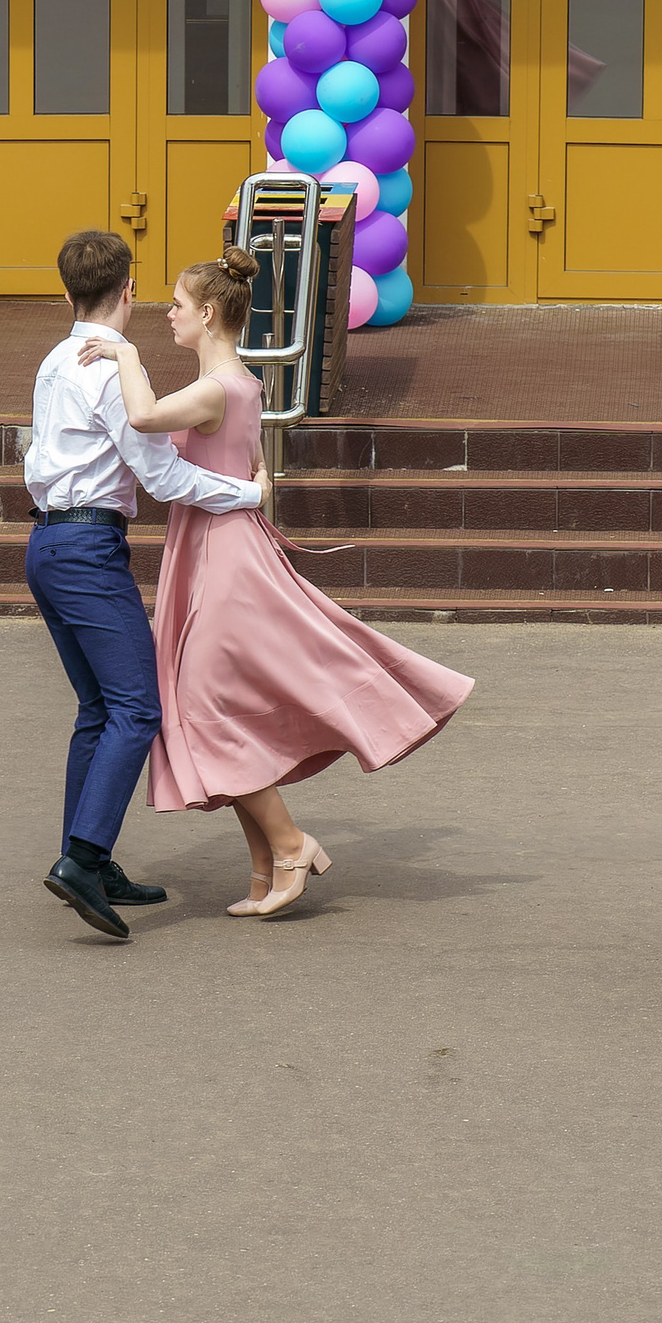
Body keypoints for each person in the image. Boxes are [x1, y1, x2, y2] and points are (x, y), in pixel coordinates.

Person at [81, 248, 473, 919]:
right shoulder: (245, 383)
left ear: (207, 314)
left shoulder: (215, 388)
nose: (168, 313)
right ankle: (265, 868)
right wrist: (255, 487)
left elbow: (143, 419)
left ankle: (290, 846)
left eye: (177, 303)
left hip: (222, 561)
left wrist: (120, 356)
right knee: (219, 712)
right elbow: (258, 470)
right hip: (220, 548)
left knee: (206, 708)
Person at [25, 230, 266, 940]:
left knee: (98, 707)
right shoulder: (110, 372)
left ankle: (87, 859)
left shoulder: (55, 359)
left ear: (67, 294)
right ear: (127, 290)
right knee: (138, 705)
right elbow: (163, 478)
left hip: (45, 541)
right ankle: (84, 857)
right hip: (86, 547)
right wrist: (248, 494)